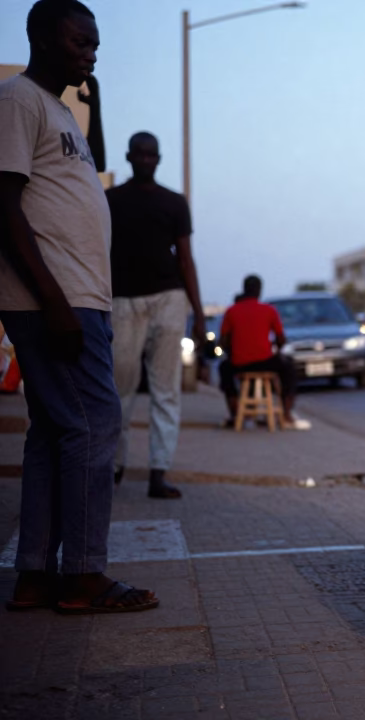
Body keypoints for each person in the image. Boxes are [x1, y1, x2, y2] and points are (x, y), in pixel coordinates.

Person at [0, 0, 158, 613]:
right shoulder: (17, 100)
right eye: (79, 42)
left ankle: (35, 573)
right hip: (56, 300)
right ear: (40, 37)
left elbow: (86, 175)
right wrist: (55, 303)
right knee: (97, 427)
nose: (90, 52)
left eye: (95, 44)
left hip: (75, 297)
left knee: (53, 433)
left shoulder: (60, 110)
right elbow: (6, 207)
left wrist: (94, 96)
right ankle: (85, 575)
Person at [107, 132, 202, 499]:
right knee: (120, 389)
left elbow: (186, 257)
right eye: (140, 154)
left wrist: (199, 313)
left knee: (166, 390)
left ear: (159, 159)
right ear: (129, 157)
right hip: (123, 301)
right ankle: (113, 467)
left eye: (151, 155)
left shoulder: (174, 203)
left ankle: (158, 471)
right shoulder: (110, 200)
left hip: (168, 298)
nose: (146, 160)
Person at [217, 275, 308, 429]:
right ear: (259, 291)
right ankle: (286, 414)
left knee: (224, 368)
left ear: (244, 289)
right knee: (289, 367)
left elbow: (223, 342)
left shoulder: (231, 311)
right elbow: (281, 340)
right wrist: (275, 350)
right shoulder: (269, 310)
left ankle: (235, 414)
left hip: (239, 364)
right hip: (265, 362)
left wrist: (235, 352)